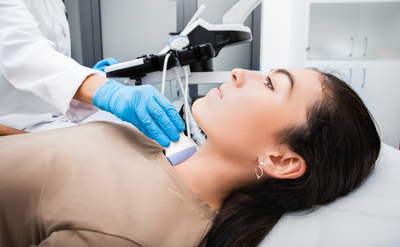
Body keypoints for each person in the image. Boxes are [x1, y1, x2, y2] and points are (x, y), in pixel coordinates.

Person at [0, 68, 381, 247]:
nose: (237, 72)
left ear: (281, 161)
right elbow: (33, 159)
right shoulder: (159, 146)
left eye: (269, 84)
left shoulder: (130, 234)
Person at [0, 0, 184, 147]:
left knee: (130, 136)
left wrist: (87, 73)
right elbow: (21, 52)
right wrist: (105, 90)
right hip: (19, 125)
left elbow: (53, 59)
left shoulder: (56, 4)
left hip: (57, 117)